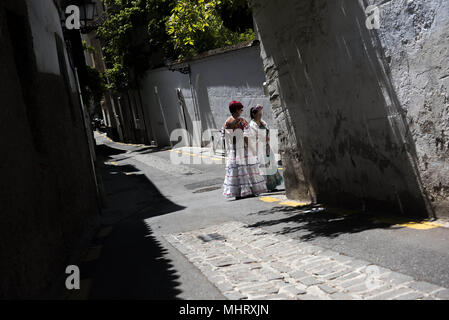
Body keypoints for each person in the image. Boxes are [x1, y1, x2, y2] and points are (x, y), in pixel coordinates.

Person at [223, 101, 267, 199]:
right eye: (241, 109)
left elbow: (226, 137)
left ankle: (238, 192)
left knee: (236, 171)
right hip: (243, 148)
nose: (242, 111)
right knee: (247, 170)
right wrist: (251, 148)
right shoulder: (241, 121)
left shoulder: (227, 122)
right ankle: (248, 190)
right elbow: (247, 136)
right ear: (237, 110)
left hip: (234, 149)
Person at [248, 105, 283, 192]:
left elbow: (267, 131)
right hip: (259, 148)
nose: (260, 114)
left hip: (266, 146)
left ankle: (272, 185)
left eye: (261, 113)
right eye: (259, 113)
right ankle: (264, 186)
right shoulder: (252, 125)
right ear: (254, 114)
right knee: (263, 166)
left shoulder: (263, 122)